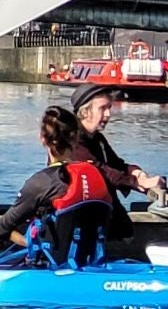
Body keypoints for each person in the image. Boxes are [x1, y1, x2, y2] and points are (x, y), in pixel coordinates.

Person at [2, 106, 114, 265]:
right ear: (75, 139)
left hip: (49, 267)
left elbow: (4, 226)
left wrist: (27, 242)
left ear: (42, 138)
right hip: (91, 264)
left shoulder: (41, 182)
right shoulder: (98, 175)